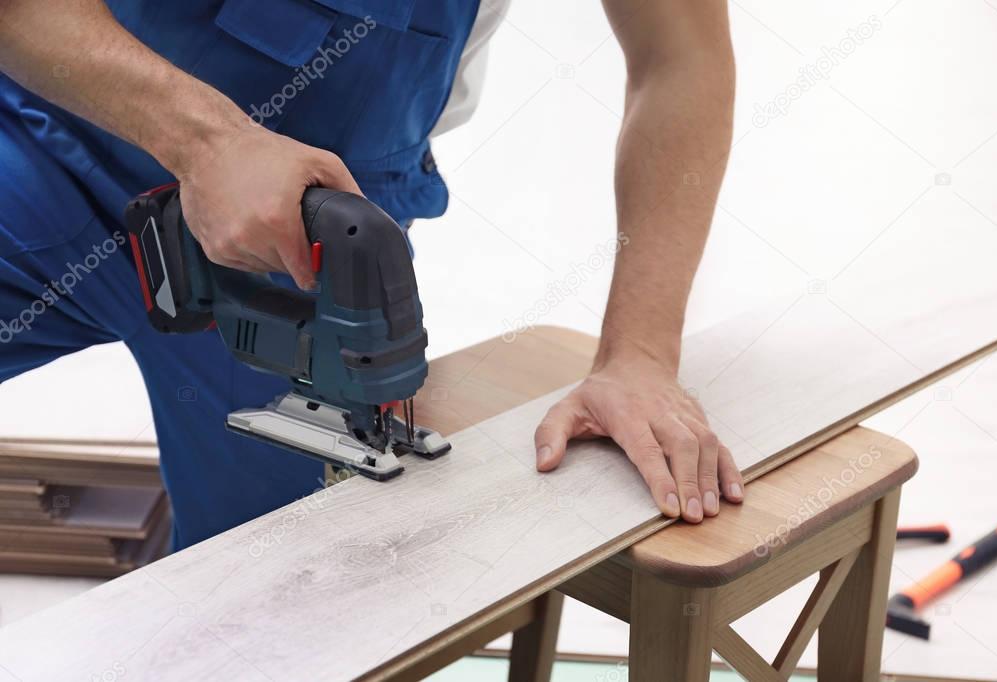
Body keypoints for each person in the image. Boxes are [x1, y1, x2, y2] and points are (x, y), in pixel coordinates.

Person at [0, 0, 743, 550]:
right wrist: (208, 141)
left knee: (278, 592)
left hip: (305, 230)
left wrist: (639, 357)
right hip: (49, 140)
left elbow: (679, 60)